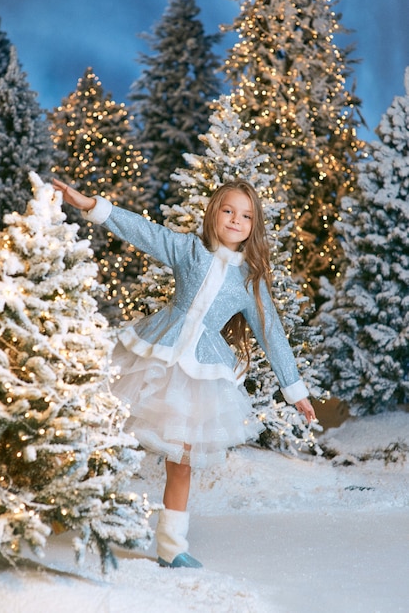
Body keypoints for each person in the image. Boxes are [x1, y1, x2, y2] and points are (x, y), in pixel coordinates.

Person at [53, 177, 316, 569]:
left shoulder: (250, 281)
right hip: (155, 353)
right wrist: (91, 204)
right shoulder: (188, 249)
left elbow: (272, 332)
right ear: (213, 214)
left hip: (198, 375)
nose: (235, 220)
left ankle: (171, 546)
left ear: (253, 226)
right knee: (108, 426)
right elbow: (144, 231)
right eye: (228, 210)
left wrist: (296, 391)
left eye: (245, 215)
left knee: (182, 460)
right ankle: (65, 501)